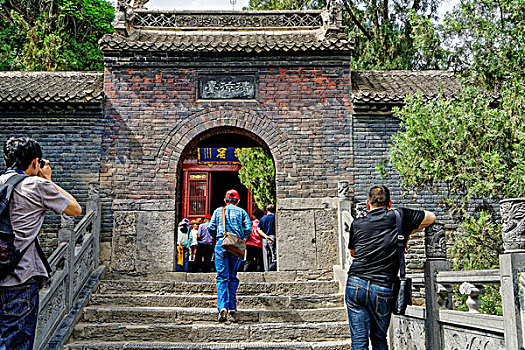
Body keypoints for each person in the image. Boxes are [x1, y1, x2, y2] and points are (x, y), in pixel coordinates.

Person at [0, 137, 82, 350]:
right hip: (19, 281)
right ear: (35, 162)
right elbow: (75, 209)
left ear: (6, 160)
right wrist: (48, 180)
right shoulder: (36, 185)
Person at [346, 185, 436, 350]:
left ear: (368, 204)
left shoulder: (358, 223)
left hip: (356, 284)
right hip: (382, 287)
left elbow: (353, 252)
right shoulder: (399, 216)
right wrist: (406, 233)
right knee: (379, 339)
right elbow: (431, 217)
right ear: (390, 202)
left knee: (359, 342)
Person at [208, 189, 251, 322]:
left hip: (221, 244)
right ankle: (232, 305)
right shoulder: (242, 212)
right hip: (236, 246)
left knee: (222, 277)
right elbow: (248, 229)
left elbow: (211, 228)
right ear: (238, 201)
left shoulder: (218, 211)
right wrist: (240, 239)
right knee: (232, 275)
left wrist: (219, 238)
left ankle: (222, 307)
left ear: (225, 200)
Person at [258, 204, 276, 271]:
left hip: (265, 238)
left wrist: (265, 236)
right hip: (273, 237)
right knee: (273, 254)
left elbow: (258, 229)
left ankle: (266, 270)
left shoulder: (263, 219)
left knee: (266, 255)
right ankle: (273, 269)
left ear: (266, 210)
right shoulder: (275, 218)